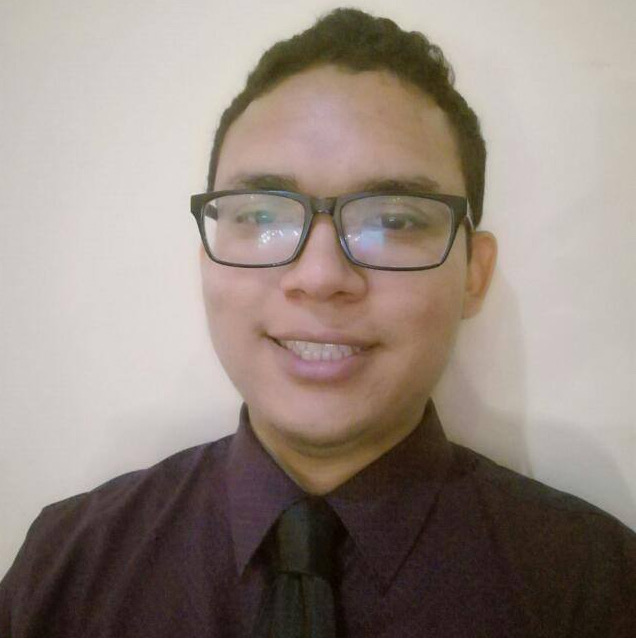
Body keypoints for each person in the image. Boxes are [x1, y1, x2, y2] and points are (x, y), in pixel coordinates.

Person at [1, 7, 634, 637]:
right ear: (206, 259)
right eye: (262, 216)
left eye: (394, 220)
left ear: (475, 272)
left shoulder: (594, 588)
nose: (321, 275)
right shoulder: (65, 568)